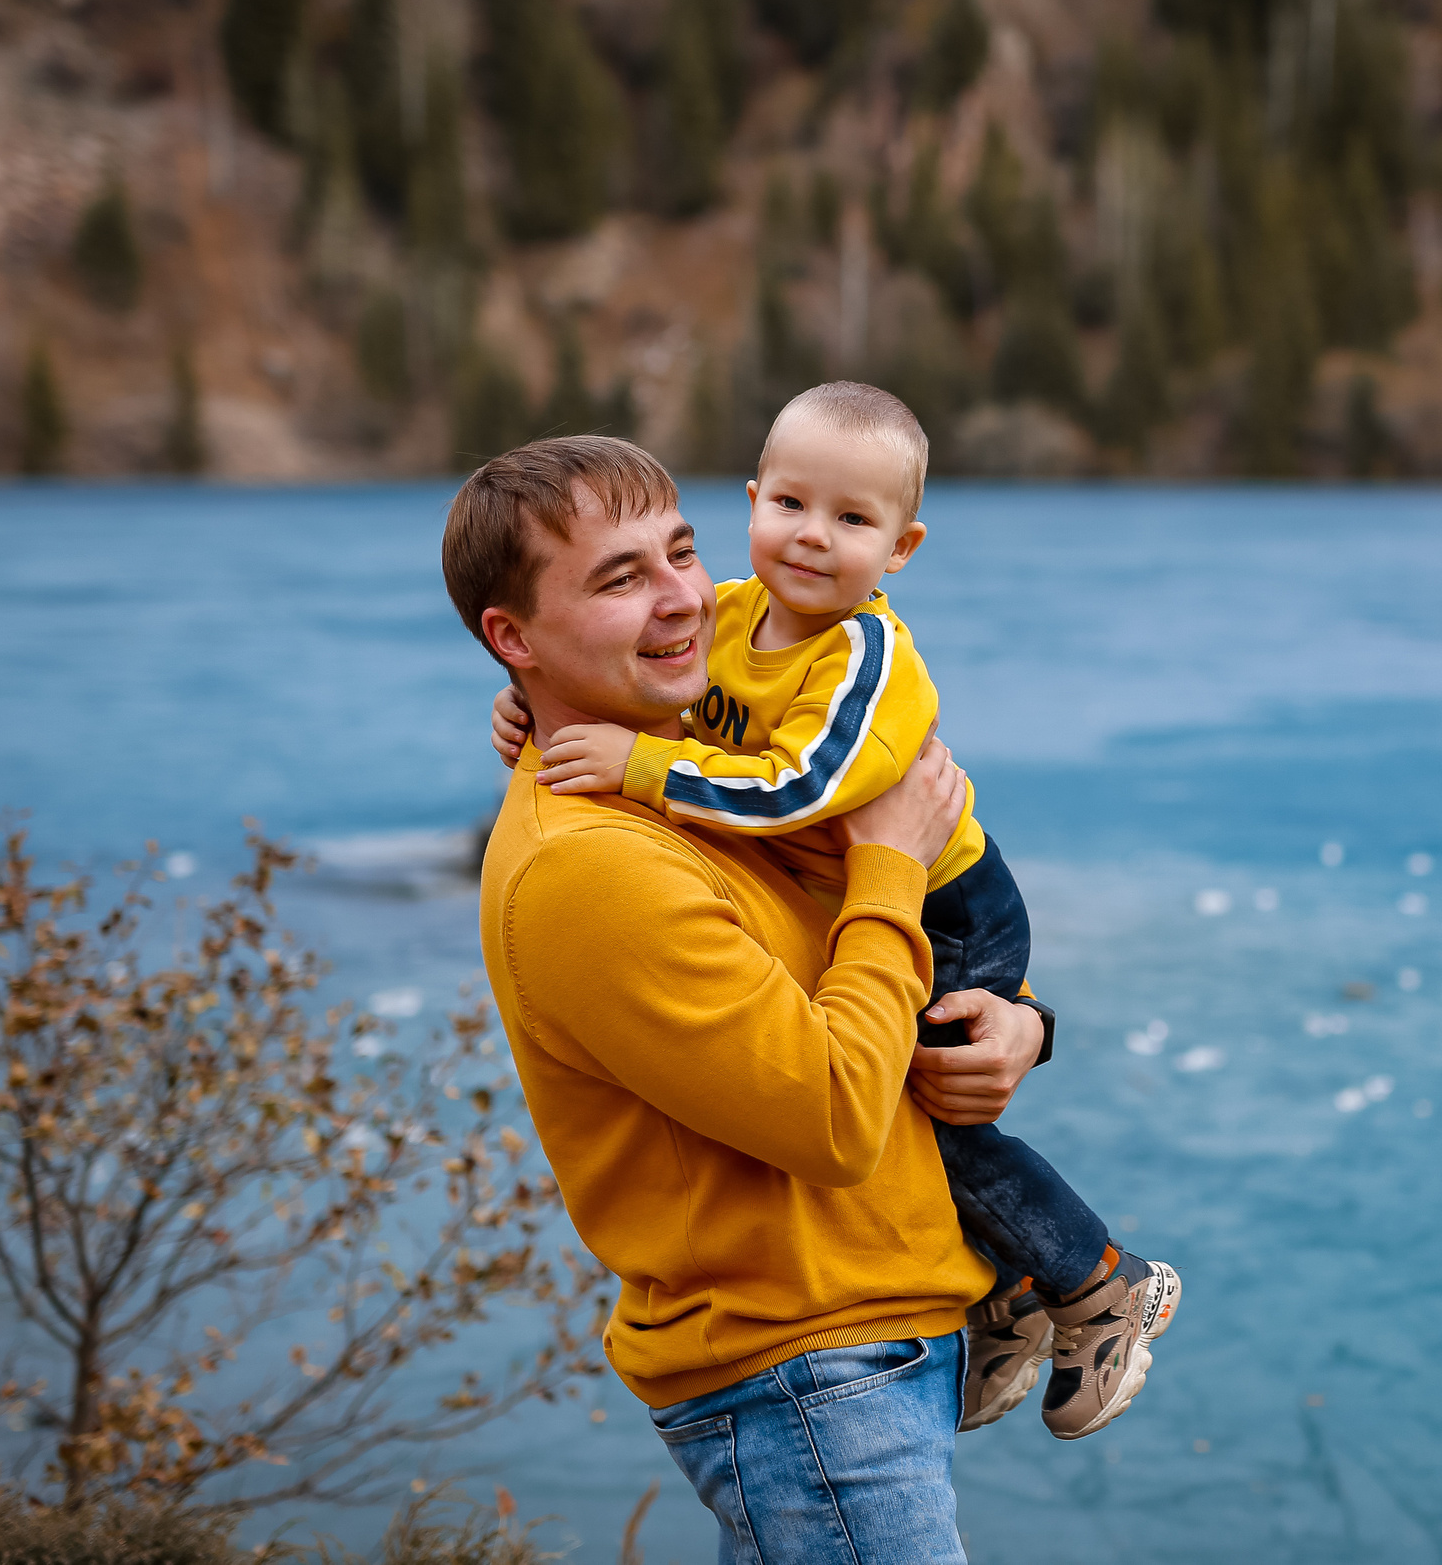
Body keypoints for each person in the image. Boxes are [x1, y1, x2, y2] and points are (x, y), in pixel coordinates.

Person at [487, 384, 1181, 1440]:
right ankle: (1021, 1290)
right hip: (799, 1348)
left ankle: (1091, 1280)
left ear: (900, 548)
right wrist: (527, 710)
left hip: (952, 901)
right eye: (792, 507)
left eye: (852, 521)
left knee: (933, 1113)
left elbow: (797, 793)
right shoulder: (722, 619)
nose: (813, 539)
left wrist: (640, 764)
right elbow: (669, 696)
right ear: (755, 499)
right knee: (914, 1099)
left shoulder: (866, 657)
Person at [444, 435, 1034, 1561]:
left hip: (857, 1360)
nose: (683, 601)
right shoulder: (591, 867)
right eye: (620, 580)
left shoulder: (694, 768)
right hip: (808, 1378)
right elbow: (832, 1115)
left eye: (681, 552)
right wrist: (890, 863)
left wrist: (1021, 1022)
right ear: (511, 638)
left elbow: (838, 949)